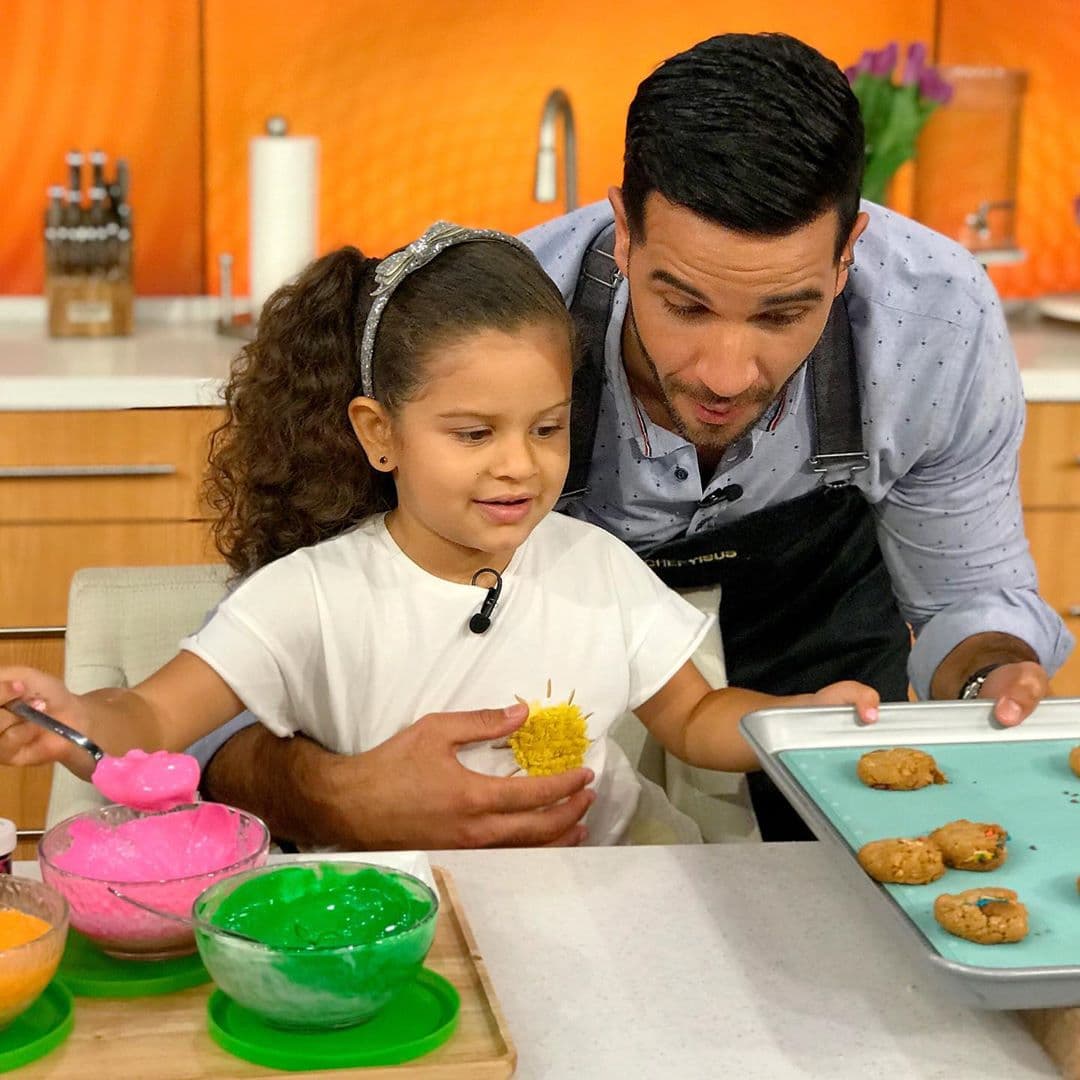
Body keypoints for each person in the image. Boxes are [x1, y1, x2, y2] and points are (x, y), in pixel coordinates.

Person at [192, 31, 1072, 846]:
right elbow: (225, 702)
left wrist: (988, 678)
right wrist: (337, 793)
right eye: (683, 303)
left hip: (810, 693)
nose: (727, 373)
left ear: (849, 256)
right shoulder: (493, 335)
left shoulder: (934, 319)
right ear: (623, 230)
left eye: (784, 312)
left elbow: (968, 597)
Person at [0, 223, 878, 847]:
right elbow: (153, 714)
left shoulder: (592, 565)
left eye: (546, 428)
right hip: (402, 924)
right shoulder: (308, 598)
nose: (519, 467)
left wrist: (794, 720)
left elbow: (693, 716)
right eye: (472, 434)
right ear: (379, 434)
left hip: (617, 900)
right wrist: (77, 717)